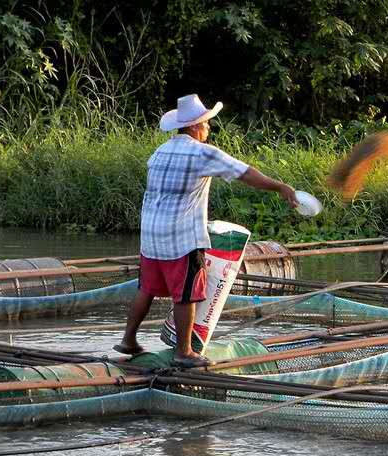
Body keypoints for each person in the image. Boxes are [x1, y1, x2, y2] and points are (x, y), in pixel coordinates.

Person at [115, 94, 298, 367]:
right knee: (187, 293)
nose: (208, 128)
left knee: (147, 289)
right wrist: (280, 187)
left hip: (151, 237)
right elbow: (245, 172)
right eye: (206, 123)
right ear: (195, 126)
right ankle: (184, 352)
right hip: (181, 238)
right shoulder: (201, 153)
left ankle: (128, 339)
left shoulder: (160, 151)